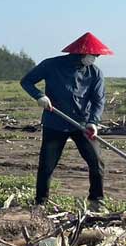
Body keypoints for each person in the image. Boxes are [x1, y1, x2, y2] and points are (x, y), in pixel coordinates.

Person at [19, 32, 110, 208]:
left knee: (96, 161)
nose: (95, 58)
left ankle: (96, 200)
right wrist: (39, 96)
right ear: (81, 52)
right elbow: (27, 81)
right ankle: (40, 202)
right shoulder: (52, 65)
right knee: (47, 164)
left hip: (82, 125)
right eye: (94, 55)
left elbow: (98, 100)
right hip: (55, 122)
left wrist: (93, 122)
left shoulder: (95, 73)